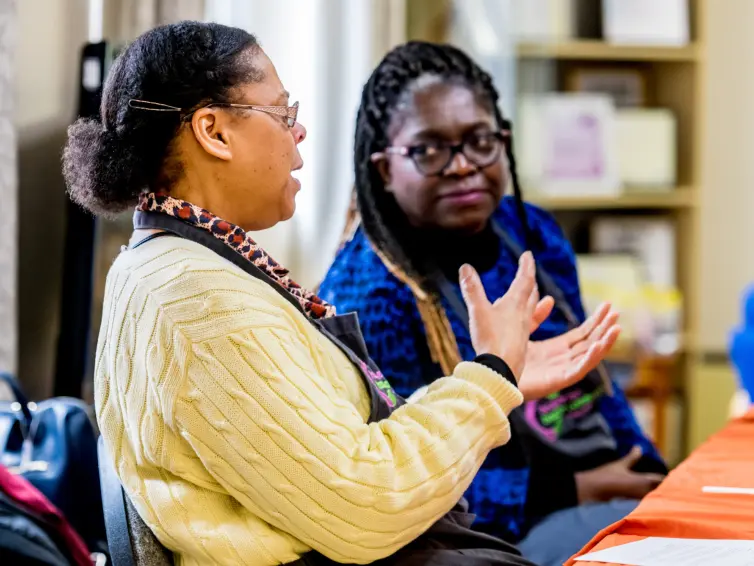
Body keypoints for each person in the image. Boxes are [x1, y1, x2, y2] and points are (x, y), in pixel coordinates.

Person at [62, 23, 618, 566]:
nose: (298, 133)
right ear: (214, 131)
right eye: (282, 114)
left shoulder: (186, 266)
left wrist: (497, 378)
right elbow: (370, 505)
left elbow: (347, 452)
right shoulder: (192, 300)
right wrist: (491, 375)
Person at [318, 41, 668, 566]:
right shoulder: (368, 293)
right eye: (430, 150)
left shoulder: (531, 230)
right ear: (385, 169)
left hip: (597, 478)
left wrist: (651, 470)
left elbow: (593, 380)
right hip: (490, 529)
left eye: (480, 141)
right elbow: (399, 477)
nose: (463, 166)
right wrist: (575, 488)